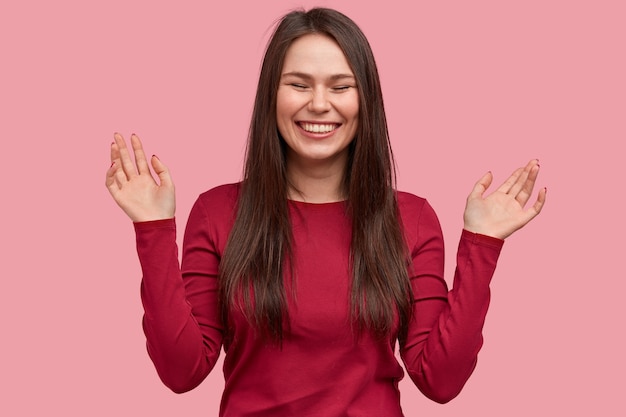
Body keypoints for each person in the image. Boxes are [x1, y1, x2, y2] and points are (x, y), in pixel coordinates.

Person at [105, 7, 546, 417]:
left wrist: (482, 244)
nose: (319, 103)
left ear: (365, 99)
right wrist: (153, 229)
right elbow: (181, 372)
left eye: (340, 86)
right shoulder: (217, 212)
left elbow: (440, 380)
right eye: (298, 84)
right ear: (271, 97)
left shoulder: (410, 220)